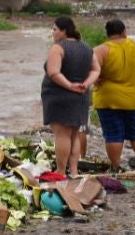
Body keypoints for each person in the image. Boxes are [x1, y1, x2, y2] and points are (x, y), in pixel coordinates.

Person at [93, 19, 135, 173]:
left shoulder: (101, 50)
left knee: (113, 134)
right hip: (134, 98)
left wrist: (96, 79)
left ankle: (116, 167)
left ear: (108, 34)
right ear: (124, 31)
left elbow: (89, 68)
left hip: (108, 99)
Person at [41, 17, 100, 176]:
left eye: (54, 29)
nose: (53, 33)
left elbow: (53, 72)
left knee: (62, 134)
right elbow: (96, 69)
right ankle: (73, 170)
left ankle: (60, 171)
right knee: (74, 134)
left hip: (59, 96)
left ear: (64, 31)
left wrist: (69, 85)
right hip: (81, 96)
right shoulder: (86, 47)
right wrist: (86, 84)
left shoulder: (58, 48)